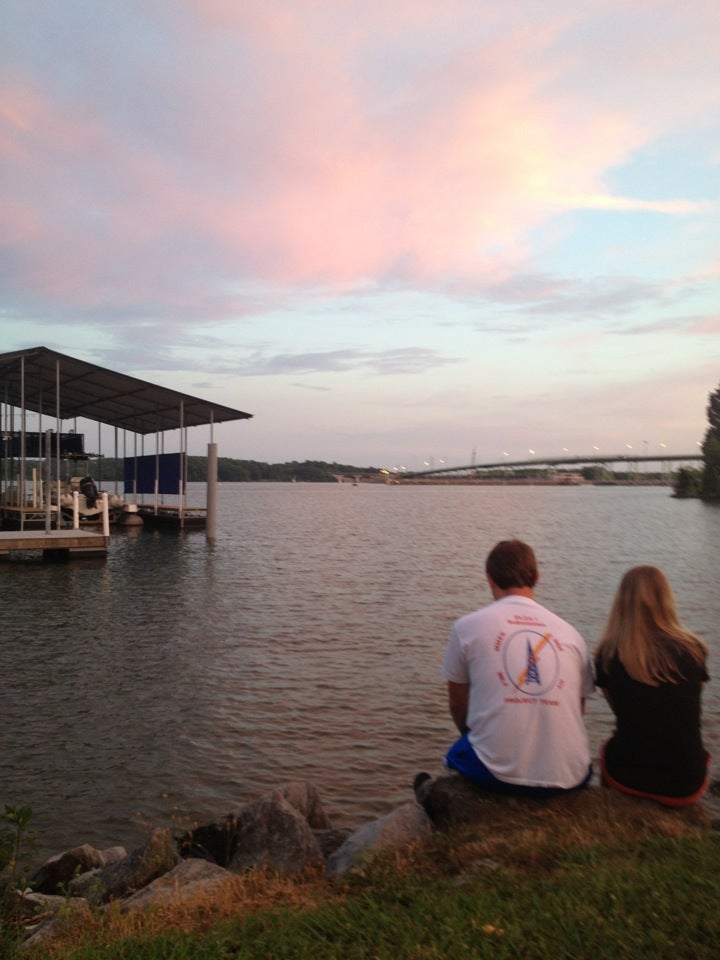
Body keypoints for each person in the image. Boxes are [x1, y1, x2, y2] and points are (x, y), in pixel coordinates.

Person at [439, 539, 594, 796]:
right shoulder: (571, 633)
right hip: (572, 775)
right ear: (537, 577)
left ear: (490, 579)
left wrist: (474, 735)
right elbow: (578, 709)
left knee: (457, 753)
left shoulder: (467, 627)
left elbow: (457, 703)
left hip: (499, 776)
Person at [594, 565, 710, 806]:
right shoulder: (695, 650)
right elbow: (687, 708)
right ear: (666, 599)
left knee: (609, 746)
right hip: (686, 782)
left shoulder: (607, 654)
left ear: (621, 603)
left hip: (627, 776)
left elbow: (620, 709)